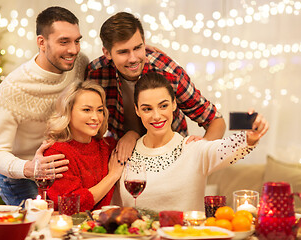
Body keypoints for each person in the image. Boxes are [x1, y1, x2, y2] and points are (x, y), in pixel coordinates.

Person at [112, 72, 269, 212]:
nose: (157, 115)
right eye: (147, 109)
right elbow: (116, 210)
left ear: (174, 104)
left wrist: (251, 136)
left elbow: (227, 148)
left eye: (163, 106)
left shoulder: (193, 149)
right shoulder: (126, 153)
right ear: (137, 110)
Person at [86, 12, 226, 164]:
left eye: (138, 48)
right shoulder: (95, 74)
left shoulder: (169, 73)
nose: (133, 58)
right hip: (124, 156)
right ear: (107, 53)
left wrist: (202, 149)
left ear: (144, 42)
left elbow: (215, 120)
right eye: (123, 52)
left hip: (173, 158)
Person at [0, 7, 89, 206]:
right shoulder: (12, 88)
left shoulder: (79, 64)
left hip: (60, 168)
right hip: (19, 176)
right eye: (64, 42)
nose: (73, 49)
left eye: (77, 40)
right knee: (39, 229)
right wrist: (30, 168)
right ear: (41, 43)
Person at [44, 81, 124, 211]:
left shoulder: (107, 146)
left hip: (102, 227)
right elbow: (71, 204)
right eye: (87, 110)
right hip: (68, 228)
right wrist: (112, 176)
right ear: (68, 111)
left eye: (99, 110)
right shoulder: (55, 154)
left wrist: (132, 135)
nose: (95, 117)